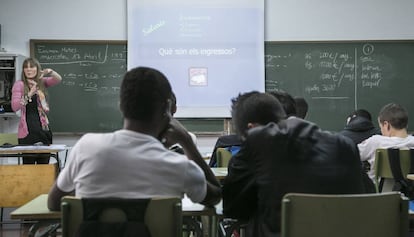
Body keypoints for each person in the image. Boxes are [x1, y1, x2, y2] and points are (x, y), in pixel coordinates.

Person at [48, 66, 221, 211]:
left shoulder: (86, 147)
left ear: (120, 105)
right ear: (167, 108)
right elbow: (215, 197)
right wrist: (188, 143)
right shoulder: (180, 166)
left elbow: (54, 203)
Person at [222, 91, 365, 237]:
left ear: (251, 128)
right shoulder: (345, 144)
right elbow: (368, 197)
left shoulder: (257, 142)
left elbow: (233, 209)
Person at [11, 57, 62, 164]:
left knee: (44, 168)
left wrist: (50, 71)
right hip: (28, 132)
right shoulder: (19, 84)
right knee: (29, 169)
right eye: (26, 67)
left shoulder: (41, 82)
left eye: (32, 67)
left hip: (43, 130)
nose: (29, 70)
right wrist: (30, 93)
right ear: (23, 70)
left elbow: (58, 79)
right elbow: (15, 107)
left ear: (37, 69)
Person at [358, 103, 414, 182]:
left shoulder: (376, 142)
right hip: (410, 192)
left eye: (381, 127)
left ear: (386, 125)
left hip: (380, 193)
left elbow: (351, 153)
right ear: (406, 125)